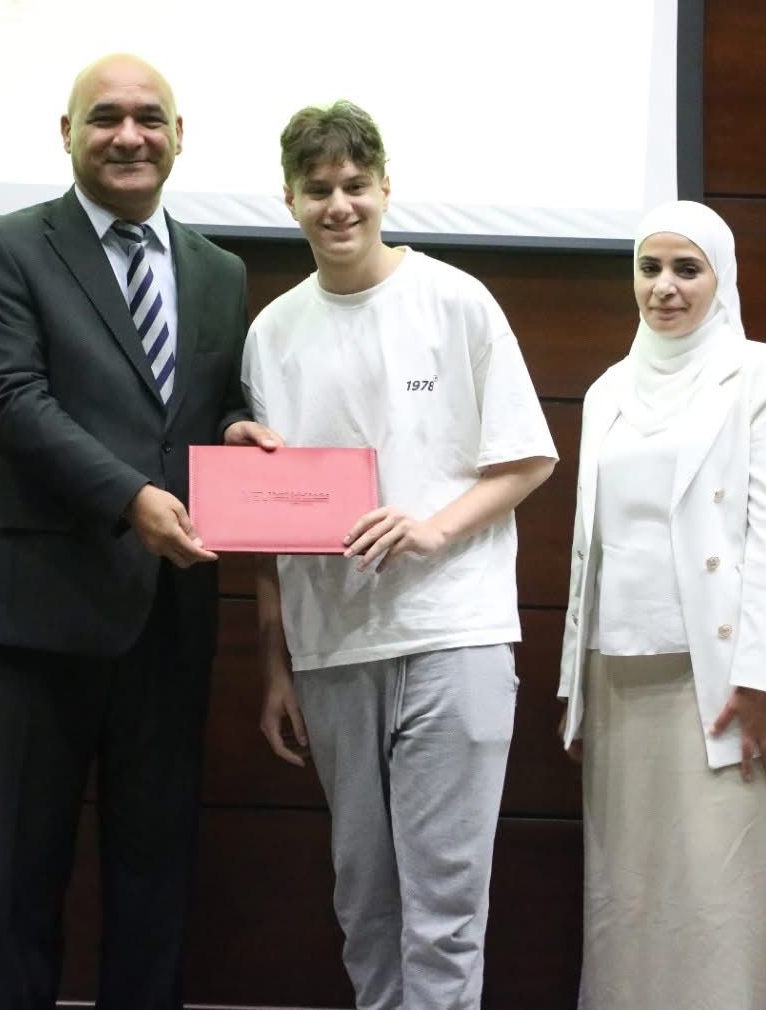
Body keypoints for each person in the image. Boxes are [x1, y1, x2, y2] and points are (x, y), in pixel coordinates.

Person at [0, 53, 280, 1009]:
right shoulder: (5, 248)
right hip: (38, 617)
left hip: (170, 616)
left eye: (148, 118)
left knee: (155, 879)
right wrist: (131, 497)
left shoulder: (218, 270)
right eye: (105, 118)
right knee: (20, 879)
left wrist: (236, 429)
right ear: (68, 134)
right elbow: (11, 400)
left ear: (179, 136)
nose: (128, 136)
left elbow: (206, 402)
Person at [246, 101, 557, 1010]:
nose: (339, 205)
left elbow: (528, 458)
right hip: (332, 647)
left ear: (386, 187)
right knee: (365, 903)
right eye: (318, 189)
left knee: (444, 908)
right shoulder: (272, 332)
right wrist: (275, 665)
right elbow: (263, 515)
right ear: (290, 199)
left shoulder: (455, 300)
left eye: (355, 185)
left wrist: (434, 529)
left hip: (453, 631)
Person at [556, 200, 766, 1010]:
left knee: (730, 894)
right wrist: (575, 689)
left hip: (731, 680)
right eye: (649, 268)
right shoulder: (607, 388)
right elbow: (589, 548)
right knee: (632, 895)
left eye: (686, 269)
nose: (664, 287)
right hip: (620, 675)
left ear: (722, 278)